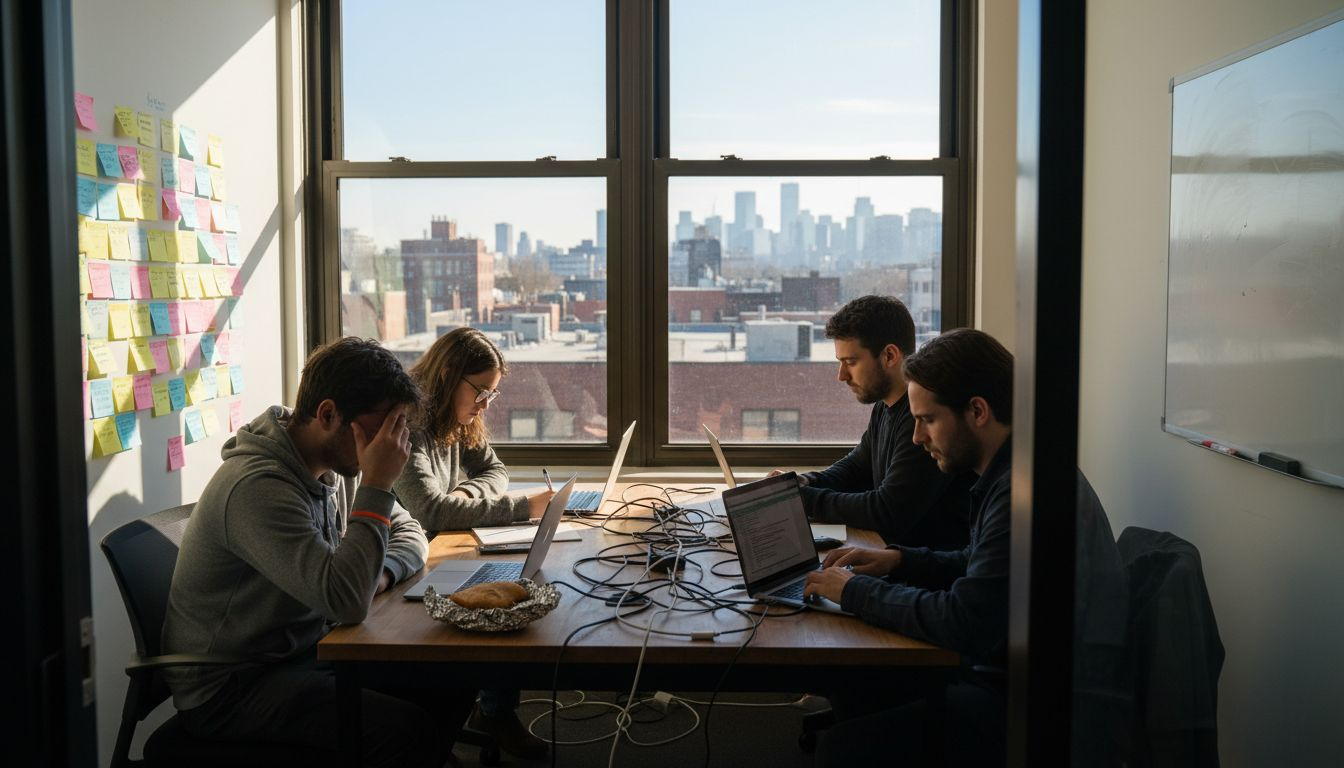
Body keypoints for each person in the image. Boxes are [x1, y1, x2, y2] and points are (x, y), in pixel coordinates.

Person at [802, 328, 1128, 767]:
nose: (917, 438)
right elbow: (982, 565)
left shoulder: (1022, 494)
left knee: (841, 751)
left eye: (928, 420)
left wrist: (854, 591)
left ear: (977, 411)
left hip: (1035, 710)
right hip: (1013, 673)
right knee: (856, 684)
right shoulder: (1014, 470)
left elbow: (965, 619)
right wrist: (900, 559)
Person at [162, 337, 472, 768]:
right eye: (384, 427)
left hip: (308, 650)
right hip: (235, 685)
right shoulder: (258, 487)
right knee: (404, 730)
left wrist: (376, 574)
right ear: (328, 414)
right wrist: (378, 486)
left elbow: (411, 531)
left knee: (454, 677)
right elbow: (345, 601)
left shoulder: (337, 462)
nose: (391, 444)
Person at [393, 327, 553, 760]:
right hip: (405, 565)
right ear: (447, 375)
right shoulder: (407, 423)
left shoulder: (459, 417)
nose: (484, 404)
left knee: (516, 582)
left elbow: (495, 470)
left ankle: (493, 711)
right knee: (507, 598)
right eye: (481, 391)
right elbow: (430, 511)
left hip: (440, 550)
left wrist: (464, 494)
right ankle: (491, 714)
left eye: (492, 395)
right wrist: (523, 507)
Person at [773, 295, 970, 549]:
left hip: (922, 572)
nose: (841, 375)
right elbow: (858, 465)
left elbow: (887, 511)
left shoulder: (923, 421)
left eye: (851, 362)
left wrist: (802, 500)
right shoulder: (885, 405)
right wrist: (804, 482)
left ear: (889, 355)